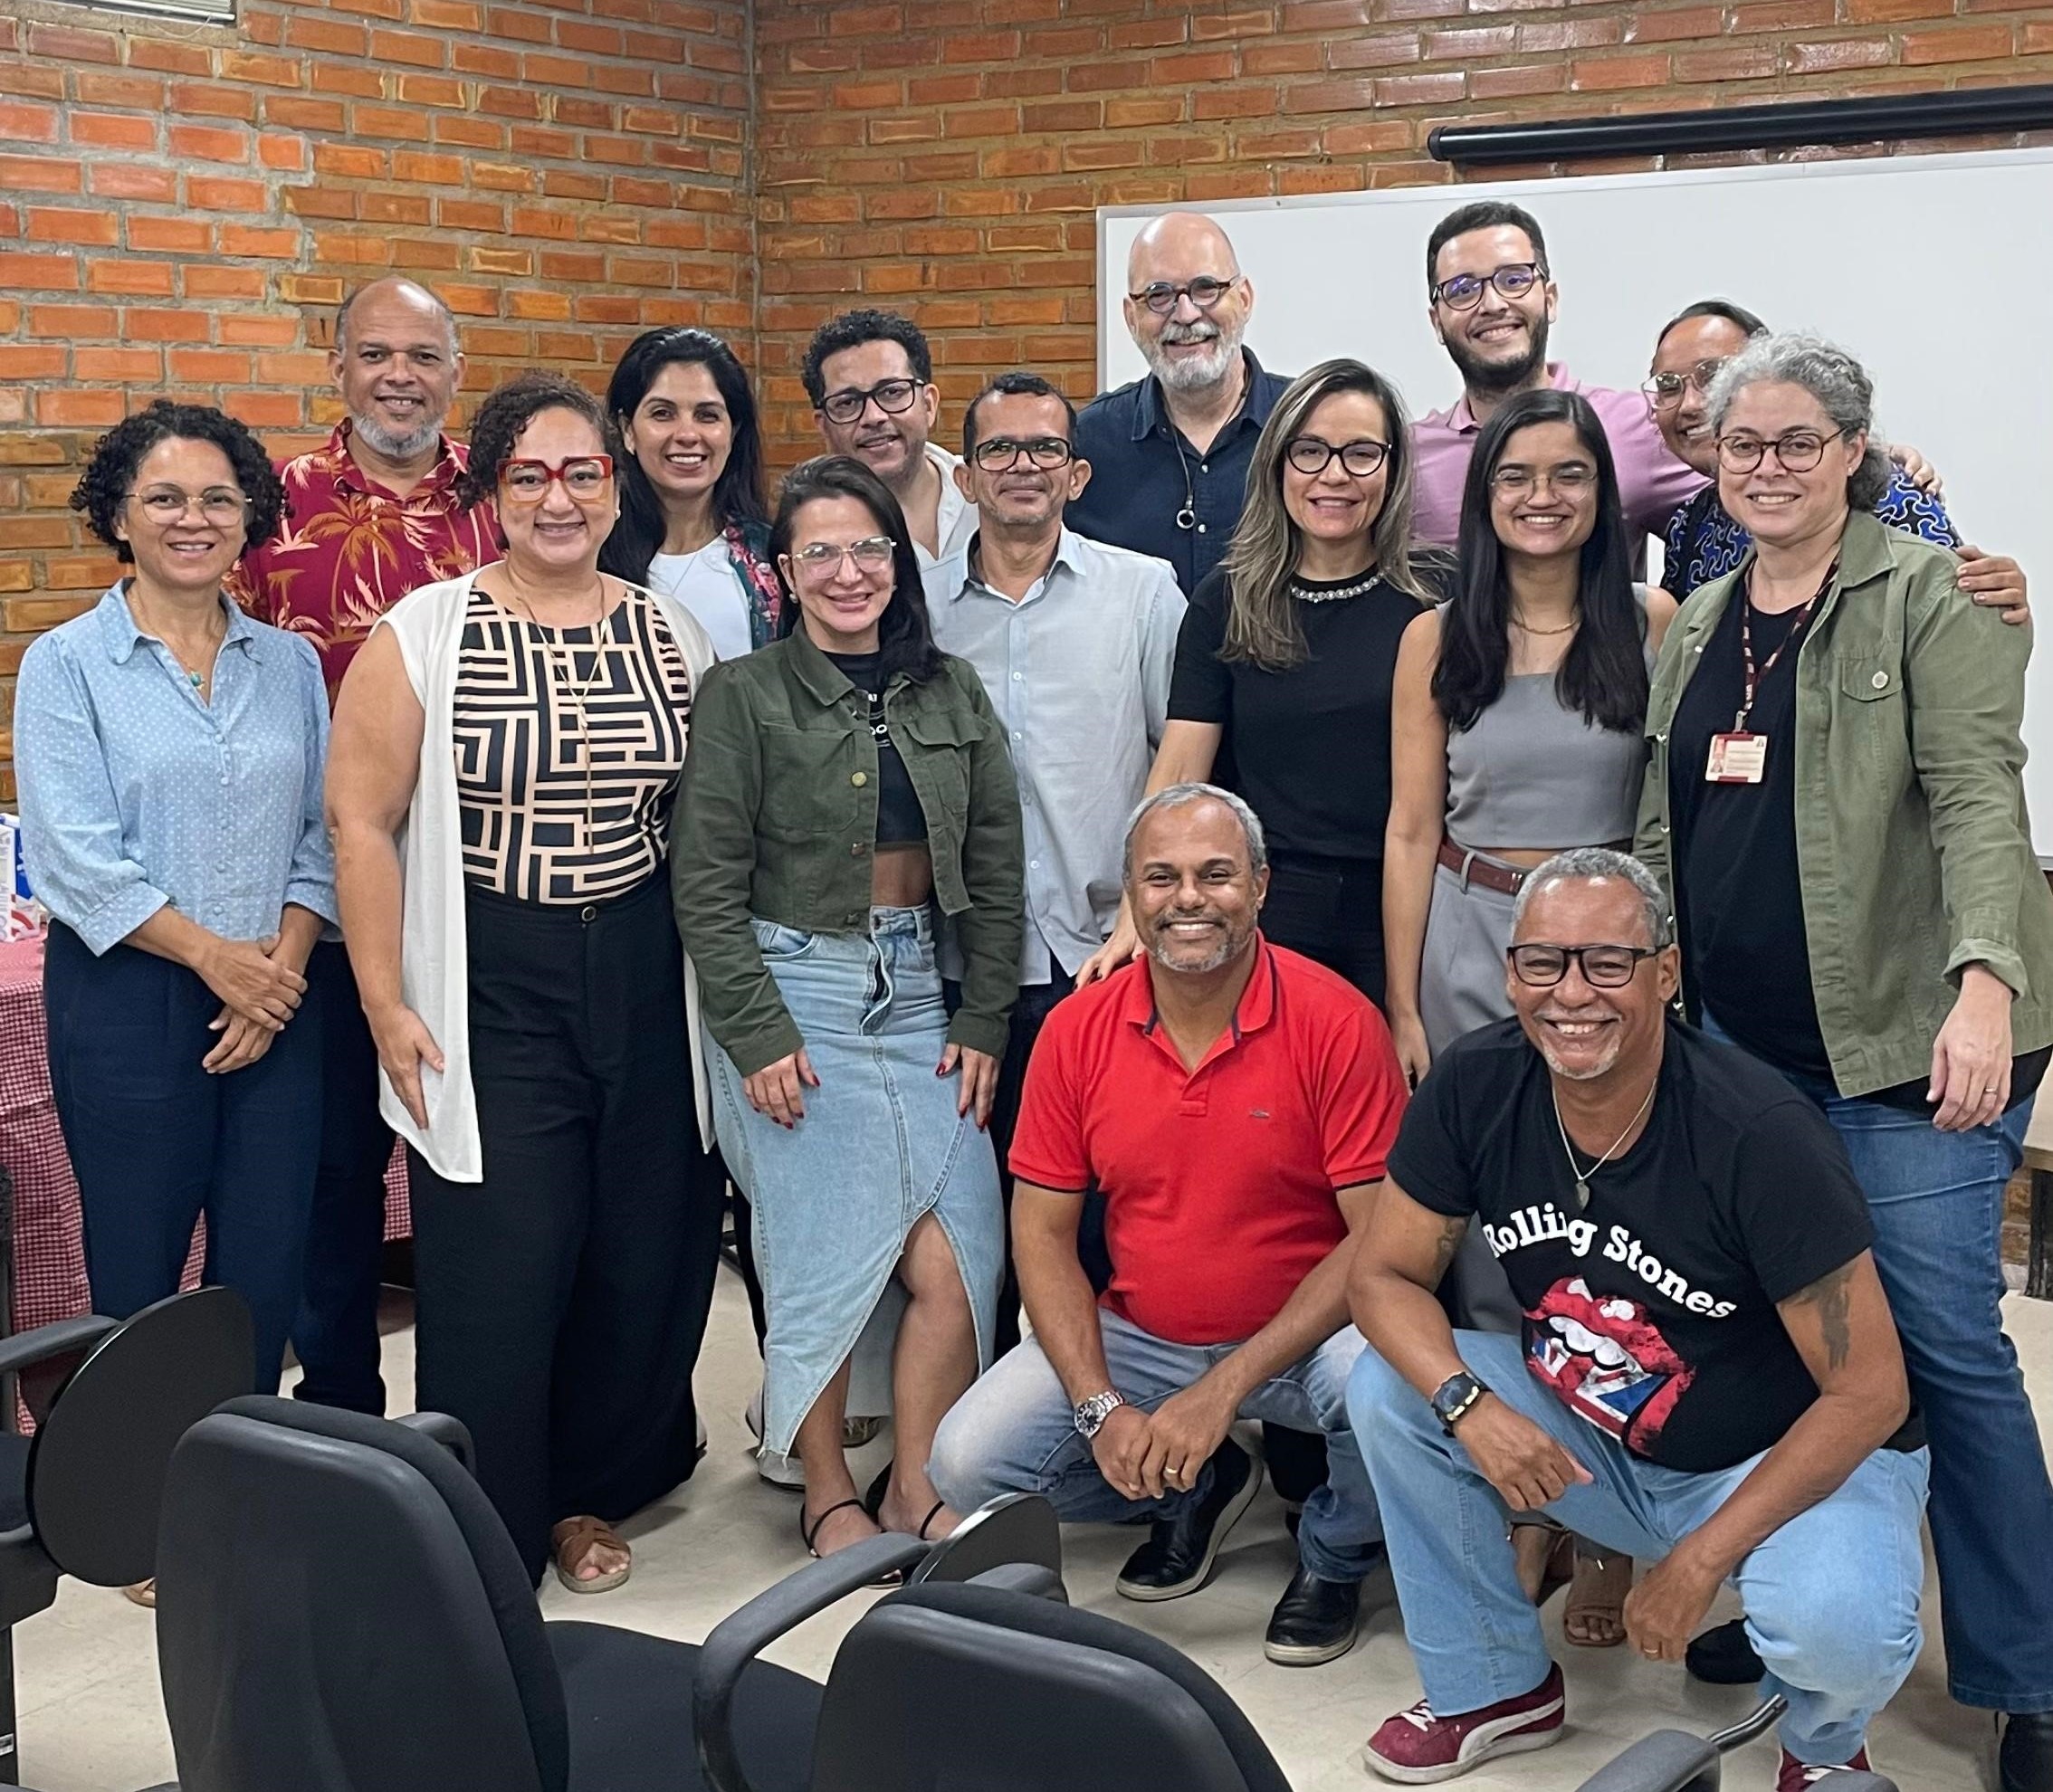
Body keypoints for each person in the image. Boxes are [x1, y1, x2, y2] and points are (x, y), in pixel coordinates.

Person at [1635, 331, 2053, 1792]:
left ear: (1851, 455)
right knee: (1789, 1339)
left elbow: (1977, 803)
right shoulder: (1695, 621)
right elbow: (1659, 832)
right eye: (1741, 444)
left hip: (1902, 1046)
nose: (1764, 467)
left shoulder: (1930, 594)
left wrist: (1984, 990)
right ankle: (1795, 1589)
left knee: (1940, 1343)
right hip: (1744, 1053)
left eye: (1796, 443)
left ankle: (2026, 1669)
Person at [1346, 851, 1928, 1787]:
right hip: (1601, 1436)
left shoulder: (1757, 1131)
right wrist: (1470, 1407)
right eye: (1544, 961)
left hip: (1780, 1458)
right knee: (1384, 1382)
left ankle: (1822, 1750)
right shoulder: (1476, 1085)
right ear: (1509, 973)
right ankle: (1496, 1687)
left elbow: (1870, 1394)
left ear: (1665, 973)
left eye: (1608, 963)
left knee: (1840, 1627)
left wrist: (1700, 1561)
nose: (1572, 993)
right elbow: (1381, 1277)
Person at [327, 371, 725, 1595]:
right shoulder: (425, 632)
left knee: (642, 1240)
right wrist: (388, 1002)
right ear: (492, 495)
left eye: (583, 473)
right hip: (491, 970)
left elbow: (702, 822)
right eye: (531, 475)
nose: (560, 497)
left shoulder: (672, 628)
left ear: (616, 489)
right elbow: (361, 823)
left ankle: (590, 1491)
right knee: (505, 1248)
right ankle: (487, 1508)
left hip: (648, 968)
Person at [930, 784, 1408, 1667]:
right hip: (1142, 1333)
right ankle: (1194, 1484)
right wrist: (1104, 1408)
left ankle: (1335, 1556)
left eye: (1216, 874)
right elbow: (1039, 1237)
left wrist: (1219, 1394)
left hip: (1311, 1337)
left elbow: (1377, 1247)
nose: (1188, 897)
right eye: (1162, 877)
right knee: (968, 1464)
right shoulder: (1076, 1030)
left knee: (1396, 1399)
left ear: (1261, 887)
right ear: (1132, 896)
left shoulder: (1338, 1020)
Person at [673, 455, 1024, 1564]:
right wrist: (757, 1032)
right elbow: (706, 886)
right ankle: (827, 1488)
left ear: (899, 560)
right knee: (817, 1253)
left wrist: (984, 1020)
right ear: (785, 570)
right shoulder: (744, 695)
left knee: (958, 1255)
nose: (846, 571)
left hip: (926, 995)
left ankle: (917, 1486)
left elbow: (1001, 869)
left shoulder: (952, 690)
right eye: (818, 550)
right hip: (796, 995)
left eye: (866, 547)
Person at [1383, 387, 1676, 1645]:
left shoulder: (1655, 623)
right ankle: (1524, 1501)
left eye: (1567, 475)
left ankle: (1609, 1526)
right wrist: (1401, 999)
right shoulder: (1437, 637)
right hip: (1469, 938)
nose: (1542, 497)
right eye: (1516, 478)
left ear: (1603, 494)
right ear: (1483, 498)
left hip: (1607, 957)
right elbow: (1410, 827)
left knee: (1612, 1234)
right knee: (1484, 1230)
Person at [18, 401, 335, 1406]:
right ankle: (138, 1504)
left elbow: (322, 836)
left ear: (249, 519)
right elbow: (75, 861)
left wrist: (275, 969)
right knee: (138, 1268)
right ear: (119, 515)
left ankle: (240, 1480)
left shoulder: (288, 664)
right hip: (127, 1002)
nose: (190, 519)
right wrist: (218, 961)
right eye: (163, 498)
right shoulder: (66, 665)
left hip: (280, 999)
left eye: (216, 499)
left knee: (265, 1267)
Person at [226, 275, 499, 1419]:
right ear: (335, 366)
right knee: (333, 1175)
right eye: (376, 353)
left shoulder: (503, 497)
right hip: (326, 893)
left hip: (487, 890)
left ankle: (479, 1410)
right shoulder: (267, 506)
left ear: (454, 369)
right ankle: (340, 1414)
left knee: (483, 1172)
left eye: (424, 356)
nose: (400, 376)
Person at [924, 370, 1186, 1356]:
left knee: (1113, 1222)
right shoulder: (919, 607)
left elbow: (1182, 761)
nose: (1021, 467)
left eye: (1043, 450)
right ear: (966, 477)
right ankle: (981, 1452)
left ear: (1076, 473)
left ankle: (1143, 1445)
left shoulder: (1142, 591)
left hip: (1105, 957)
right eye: (998, 450)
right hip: (962, 966)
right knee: (974, 1225)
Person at [1081, 357, 1440, 1005]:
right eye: (1310, 452)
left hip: (1414, 904)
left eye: (1361, 453)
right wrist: (1131, 916)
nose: (1334, 475)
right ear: (1277, 463)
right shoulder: (1228, 600)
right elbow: (1179, 768)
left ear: (1393, 467)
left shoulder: (1436, 599)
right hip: (1273, 908)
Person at [1646, 299, 2030, 622]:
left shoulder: (1892, 497)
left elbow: (1966, 616)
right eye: (1668, 386)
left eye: (1713, 375)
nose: (1692, 404)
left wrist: (2000, 603)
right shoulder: (1689, 526)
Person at [1410, 201, 1704, 548]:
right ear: (1437, 323)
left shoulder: (1637, 425)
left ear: (1549, 299)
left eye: (1514, 279)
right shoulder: (1410, 458)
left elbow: (1735, 512)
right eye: (1462, 290)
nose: (1491, 304)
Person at [1068, 212, 1292, 595]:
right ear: (1130, 317)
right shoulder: (1088, 442)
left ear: (1244, 298)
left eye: (1206, 288)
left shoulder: (1308, 423)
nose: (1186, 314)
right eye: (1159, 296)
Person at [598, 324, 783, 659]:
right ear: (627, 431)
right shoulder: (589, 554)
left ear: (733, 431)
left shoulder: (774, 560)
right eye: (662, 414)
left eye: (707, 415)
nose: (687, 434)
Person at [801, 310, 975, 566]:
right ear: (824, 425)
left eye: (892, 392)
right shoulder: (811, 536)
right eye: (847, 402)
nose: (873, 416)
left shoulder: (989, 494)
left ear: (929, 405)